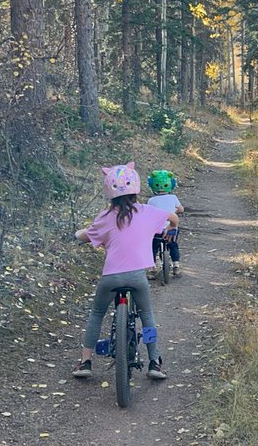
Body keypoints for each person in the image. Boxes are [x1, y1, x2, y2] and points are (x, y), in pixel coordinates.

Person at [72, 163, 178, 381]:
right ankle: (154, 361)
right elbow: (174, 218)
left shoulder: (104, 217)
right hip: (137, 277)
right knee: (147, 316)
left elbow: (85, 235)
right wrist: (170, 230)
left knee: (96, 314)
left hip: (111, 278)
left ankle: (85, 362)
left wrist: (78, 234)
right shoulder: (148, 212)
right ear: (136, 188)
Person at [147, 169, 184, 277]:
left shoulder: (151, 200)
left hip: (157, 230)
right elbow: (181, 209)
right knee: (173, 245)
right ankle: (176, 266)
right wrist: (173, 213)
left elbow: (149, 214)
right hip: (171, 228)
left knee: (153, 247)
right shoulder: (173, 197)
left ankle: (152, 269)